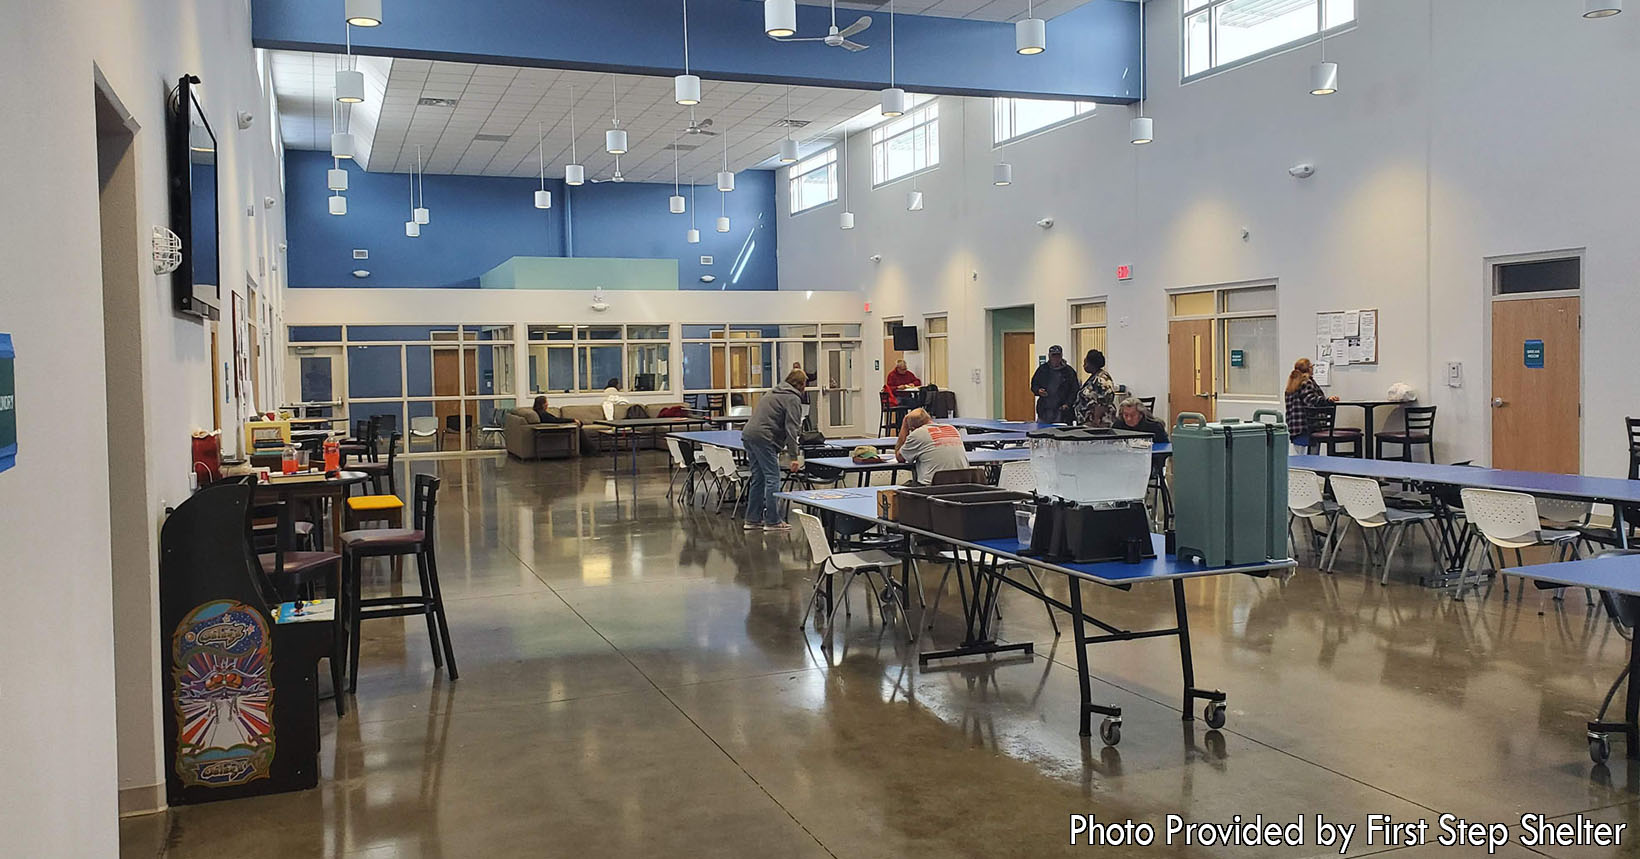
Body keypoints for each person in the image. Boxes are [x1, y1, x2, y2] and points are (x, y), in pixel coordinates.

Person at [740, 369, 807, 531]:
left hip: (749, 435)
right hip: (764, 438)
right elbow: (792, 428)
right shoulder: (792, 398)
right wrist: (794, 456)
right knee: (773, 478)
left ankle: (752, 519)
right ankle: (773, 521)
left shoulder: (772, 392)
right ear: (802, 385)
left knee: (759, 477)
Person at [895, 408, 970, 485]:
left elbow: (900, 458)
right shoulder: (951, 428)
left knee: (899, 492)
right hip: (962, 484)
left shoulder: (917, 434)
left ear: (913, 429)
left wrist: (904, 426)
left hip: (934, 487)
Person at [1284, 357, 1338, 447]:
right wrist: (1328, 400)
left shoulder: (1291, 384)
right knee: (1311, 457)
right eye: (1312, 366)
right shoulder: (1306, 382)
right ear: (1308, 369)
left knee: (1300, 455)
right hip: (1308, 426)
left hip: (1295, 426)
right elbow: (1311, 401)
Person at [1030, 345, 1079, 424]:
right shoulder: (1042, 369)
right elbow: (1034, 384)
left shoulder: (1069, 371)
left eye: (1058, 356)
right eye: (1053, 356)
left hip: (1062, 411)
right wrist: (1038, 391)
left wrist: (1068, 403)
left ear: (1061, 356)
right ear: (1049, 356)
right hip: (1044, 411)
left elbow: (1074, 390)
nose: (1056, 359)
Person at [1075, 349, 1117, 428]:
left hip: (1099, 422)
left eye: (1085, 363)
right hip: (1088, 421)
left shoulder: (1102, 378)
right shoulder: (1094, 377)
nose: (1083, 366)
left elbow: (1104, 401)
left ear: (1092, 364)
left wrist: (1096, 419)